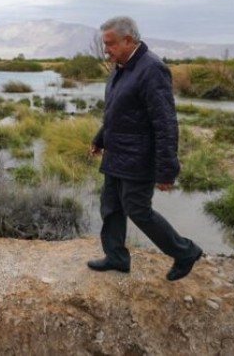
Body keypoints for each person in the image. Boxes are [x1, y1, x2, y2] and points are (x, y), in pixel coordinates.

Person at [87, 16, 204, 281]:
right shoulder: (120, 67)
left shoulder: (152, 69)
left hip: (138, 158)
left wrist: (166, 170)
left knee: (138, 210)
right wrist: (100, 138)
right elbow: (117, 112)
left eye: (111, 44)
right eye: (105, 44)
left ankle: (184, 251)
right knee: (111, 207)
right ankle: (116, 257)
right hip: (116, 154)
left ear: (129, 40)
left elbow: (165, 123)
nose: (107, 50)